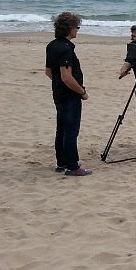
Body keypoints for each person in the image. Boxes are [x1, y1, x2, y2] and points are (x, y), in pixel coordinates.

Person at [45, 12, 92, 176]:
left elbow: (49, 72)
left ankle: (61, 162)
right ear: (70, 29)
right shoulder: (65, 49)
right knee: (71, 131)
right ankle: (72, 166)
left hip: (58, 93)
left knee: (62, 129)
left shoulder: (52, 45)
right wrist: (82, 91)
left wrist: (59, 84)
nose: (77, 31)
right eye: (76, 27)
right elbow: (66, 77)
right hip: (69, 95)